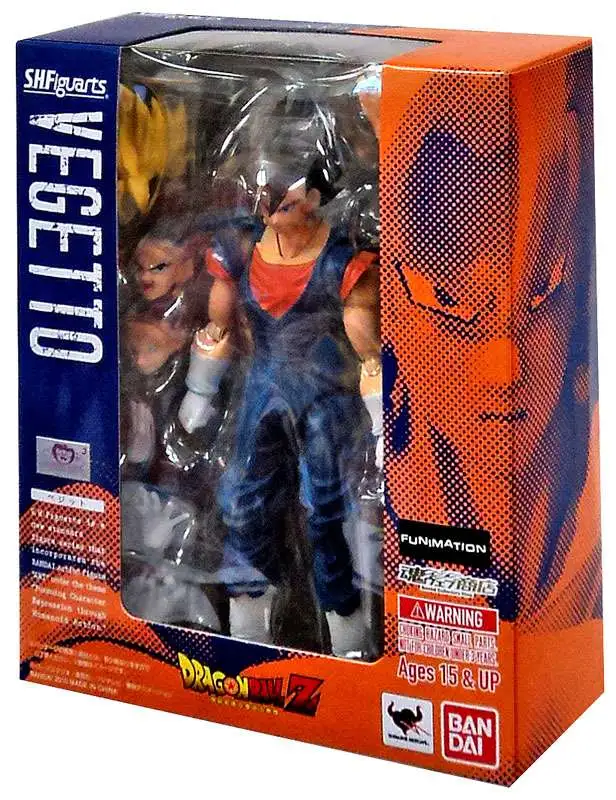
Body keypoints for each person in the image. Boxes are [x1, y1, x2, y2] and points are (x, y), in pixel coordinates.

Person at [178, 96, 382, 656]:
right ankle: (248, 618)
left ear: (316, 195)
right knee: (242, 500)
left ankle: (346, 626)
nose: (270, 200)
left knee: (326, 512)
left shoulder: (344, 263)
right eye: (265, 185)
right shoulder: (241, 248)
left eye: (285, 190)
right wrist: (198, 393)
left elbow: (369, 353)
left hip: (327, 402)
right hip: (261, 393)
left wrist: (381, 424)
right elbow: (217, 327)